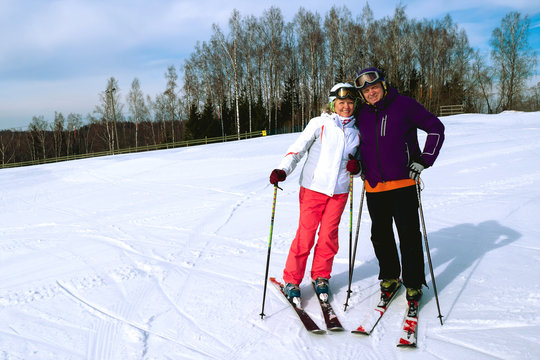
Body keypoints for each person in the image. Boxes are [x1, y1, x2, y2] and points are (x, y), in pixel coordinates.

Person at [353, 67, 445, 302]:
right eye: (366, 90)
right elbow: (355, 144)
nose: (371, 92)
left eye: (374, 87)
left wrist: (425, 159)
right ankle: (390, 277)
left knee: (409, 236)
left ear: (383, 85)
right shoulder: (361, 114)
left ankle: (413, 283)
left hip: (404, 184)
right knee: (380, 236)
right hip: (374, 187)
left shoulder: (404, 105)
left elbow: (435, 127)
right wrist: (357, 164)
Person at [269, 83, 362, 300]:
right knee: (306, 235)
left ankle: (321, 276)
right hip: (313, 189)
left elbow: (358, 165)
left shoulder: (357, 131)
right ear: (332, 104)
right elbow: (297, 149)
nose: (346, 107)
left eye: (350, 102)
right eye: (341, 103)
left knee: (329, 236)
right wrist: (283, 170)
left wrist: (357, 169)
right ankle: (291, 280)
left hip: (339, 191)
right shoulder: (319, 124)